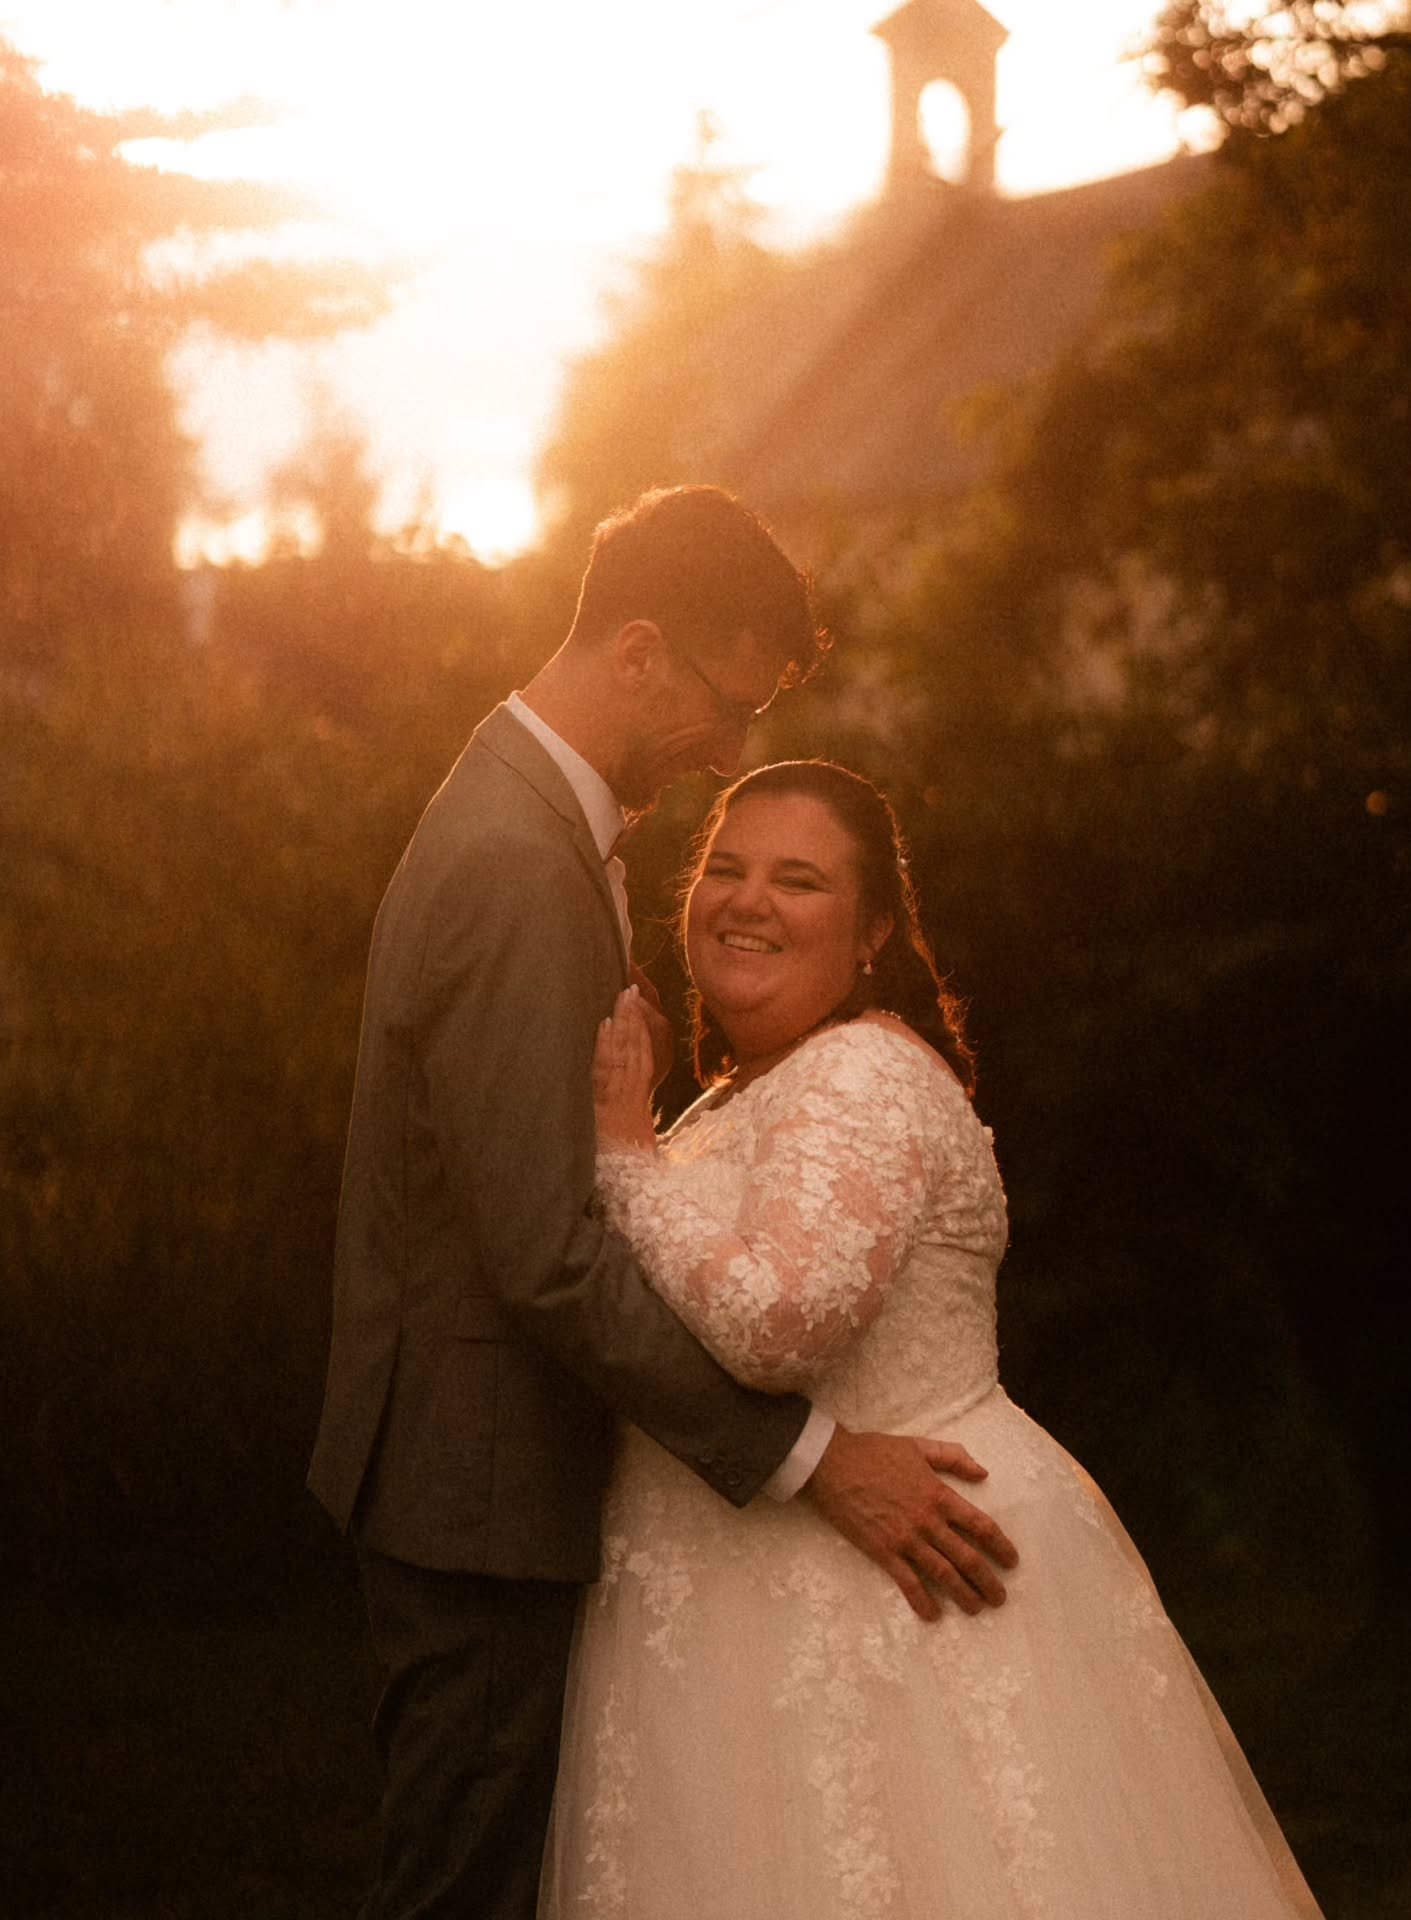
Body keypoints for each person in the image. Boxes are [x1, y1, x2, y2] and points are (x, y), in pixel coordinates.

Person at [306, 488, 1018, 1919]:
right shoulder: (516, 860)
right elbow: (550, 1255)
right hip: (481, 1491)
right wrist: (813, 1458)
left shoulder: (527, 824)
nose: (731, 752)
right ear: (639, 653)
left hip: (485, 1481)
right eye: (727, 703)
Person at [543, 757, 1326, 1920]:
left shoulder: (864, 1074)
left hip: (892, 1608)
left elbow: (777, 1326)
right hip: (735, 1611)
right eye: (726, 866)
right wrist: (651, 1138)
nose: (748, 899)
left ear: (870, 936)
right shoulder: (737, 1095)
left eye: (799, 880)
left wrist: (621, 1163)